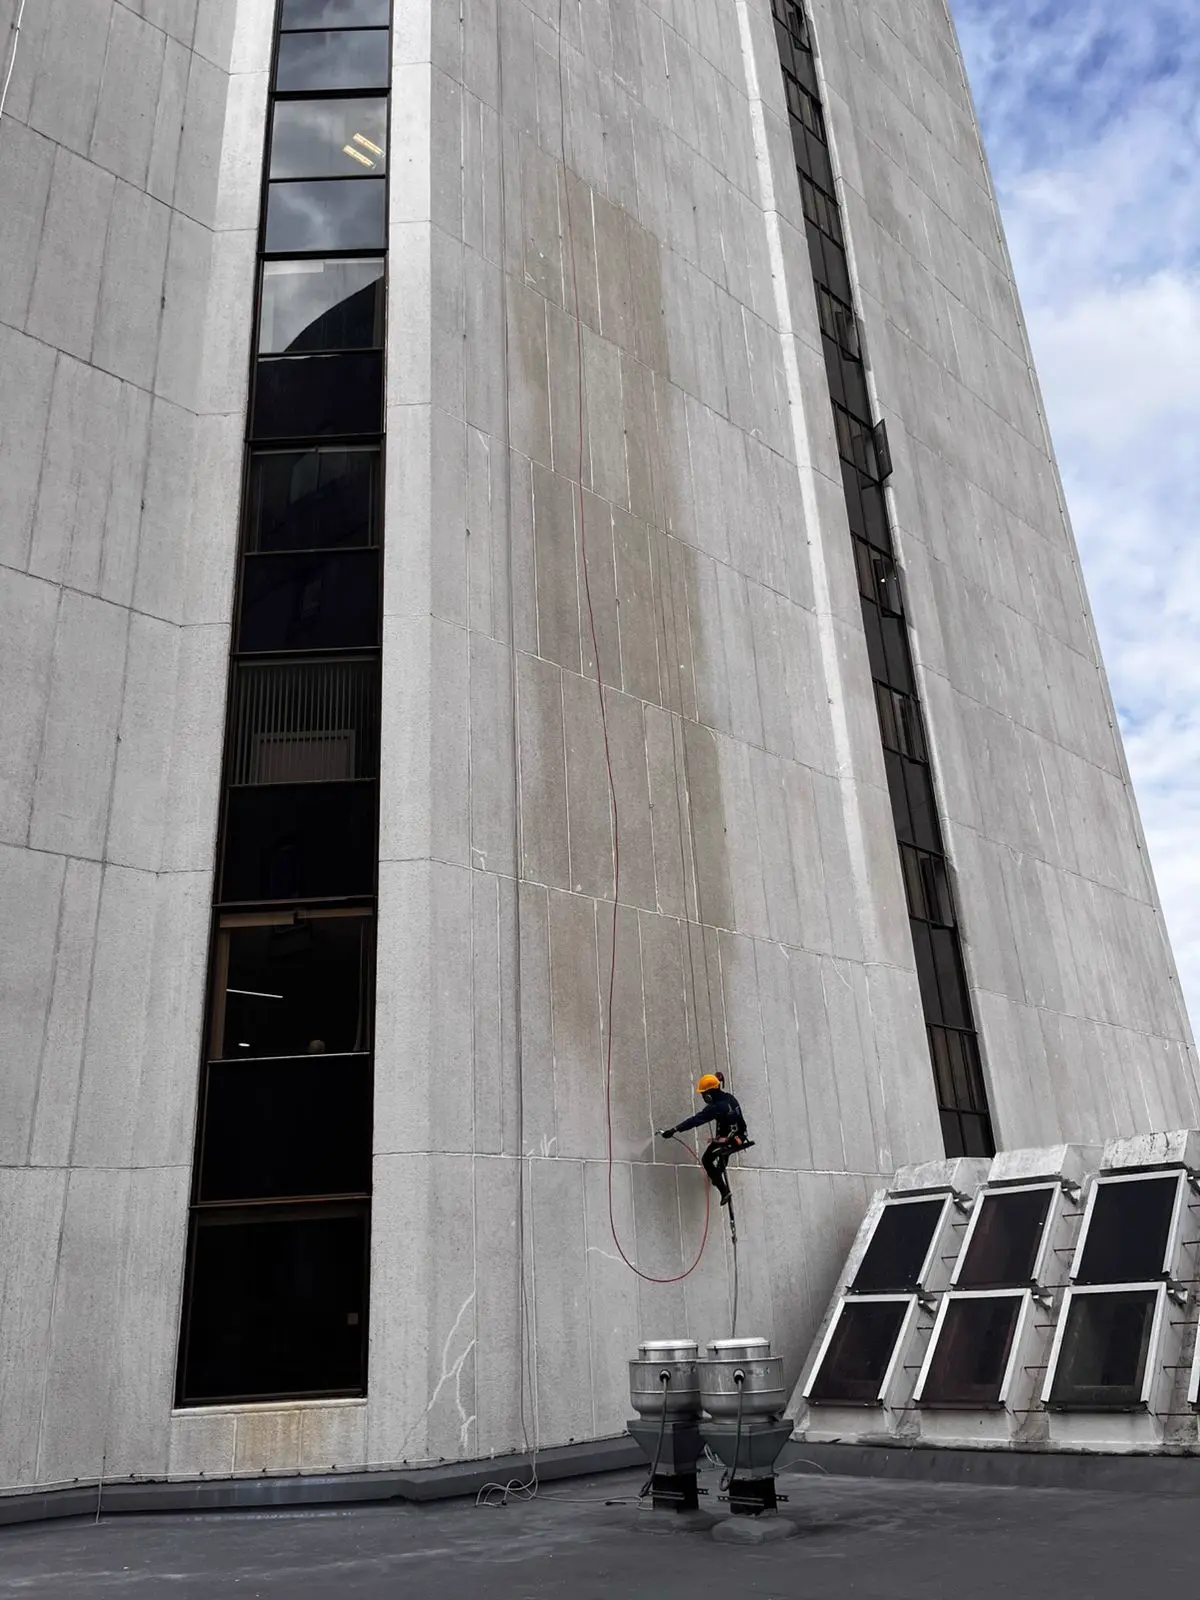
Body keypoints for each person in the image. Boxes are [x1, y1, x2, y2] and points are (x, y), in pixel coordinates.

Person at [658, 1074, 753, 1207]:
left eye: (703, 1094)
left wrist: (674, 1130)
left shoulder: (717, 1107)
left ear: (709, 1094)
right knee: (720, 1152)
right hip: (740, 1135)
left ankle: (724, 1191)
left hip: (729, 1140)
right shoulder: (729, 1098)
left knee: (707, 1159)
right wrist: (716, 1077)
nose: (703, 1097)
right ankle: (718, 1174)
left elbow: (695, 1120)